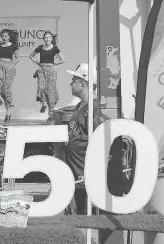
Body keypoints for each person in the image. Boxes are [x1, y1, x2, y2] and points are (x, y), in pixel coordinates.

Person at [59, 63, 108, 215]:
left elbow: (100, 142)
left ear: (83, 84)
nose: (70, 83)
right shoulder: (80, 106)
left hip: (84, 173)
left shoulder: (94, 109)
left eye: (73, 80)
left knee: (83, 215)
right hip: (74, 172)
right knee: (76, 214)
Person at [28, 31, 67, 114]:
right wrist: (38, 63)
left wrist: (56, 63)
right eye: (45, 37)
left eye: (49, 37)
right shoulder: (40, 47)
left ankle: (51, 111)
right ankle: (43, 103)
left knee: (50, 90)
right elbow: (31, 56)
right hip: (42, 69)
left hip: (51, 70)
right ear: (43, 39)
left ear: (51, 38)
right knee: (41, 87)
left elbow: (63, 60)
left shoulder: (55, 48)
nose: (47, 39)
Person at [0, 29, 19, 123]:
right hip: (0, 64)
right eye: (2, 36)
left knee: (6, 89)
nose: (4, 38)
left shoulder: (13, 46)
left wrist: (11, 65)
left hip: (9, 66)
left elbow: (17, 58)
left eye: (6, 36)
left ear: (9, 37)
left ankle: (8, 110)